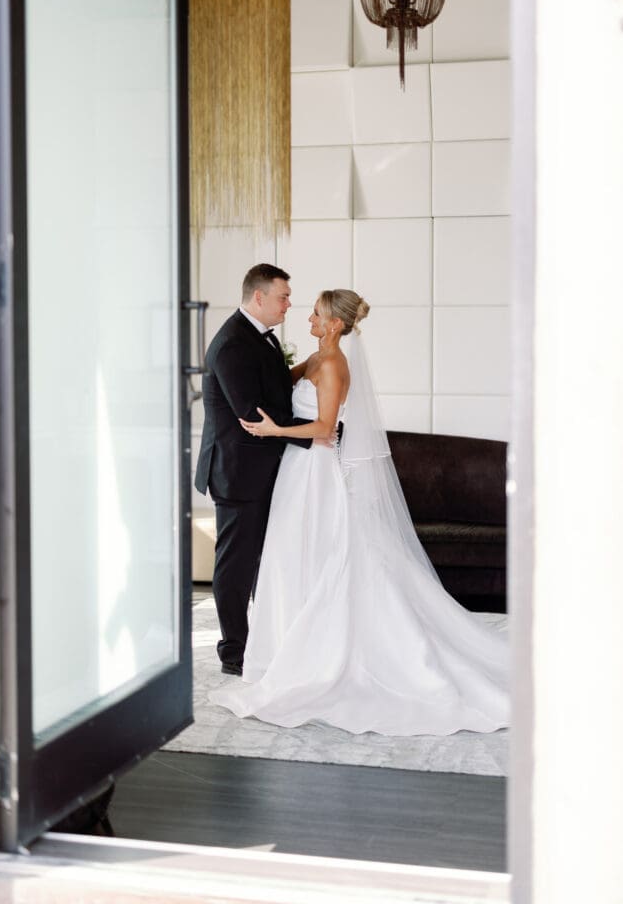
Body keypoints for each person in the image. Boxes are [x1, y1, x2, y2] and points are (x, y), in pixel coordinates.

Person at [210, 289, 510, 735]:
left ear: (335, 324)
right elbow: (272, 386)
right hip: (295, 470)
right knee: (290, 557)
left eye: (316, 313)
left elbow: (326, 428)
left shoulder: (333, 365)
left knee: (319, 555)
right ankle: (283, 644)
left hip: (315, 471)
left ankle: (318, 653)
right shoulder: (315, 357)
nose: (307, 316)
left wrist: (274, 429)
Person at [195, 264, 312, 676]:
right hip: (237, 471)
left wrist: (309, 371)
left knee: (263, 560)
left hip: (261, 467)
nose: (289, 303)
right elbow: (253, 414)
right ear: (258, 297)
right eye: (283, 296)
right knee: (236, 565)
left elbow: (274, 392)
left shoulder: (259, 338)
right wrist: (317, 433)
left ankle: (262, 641)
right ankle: (234, 653)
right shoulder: (231, 345)